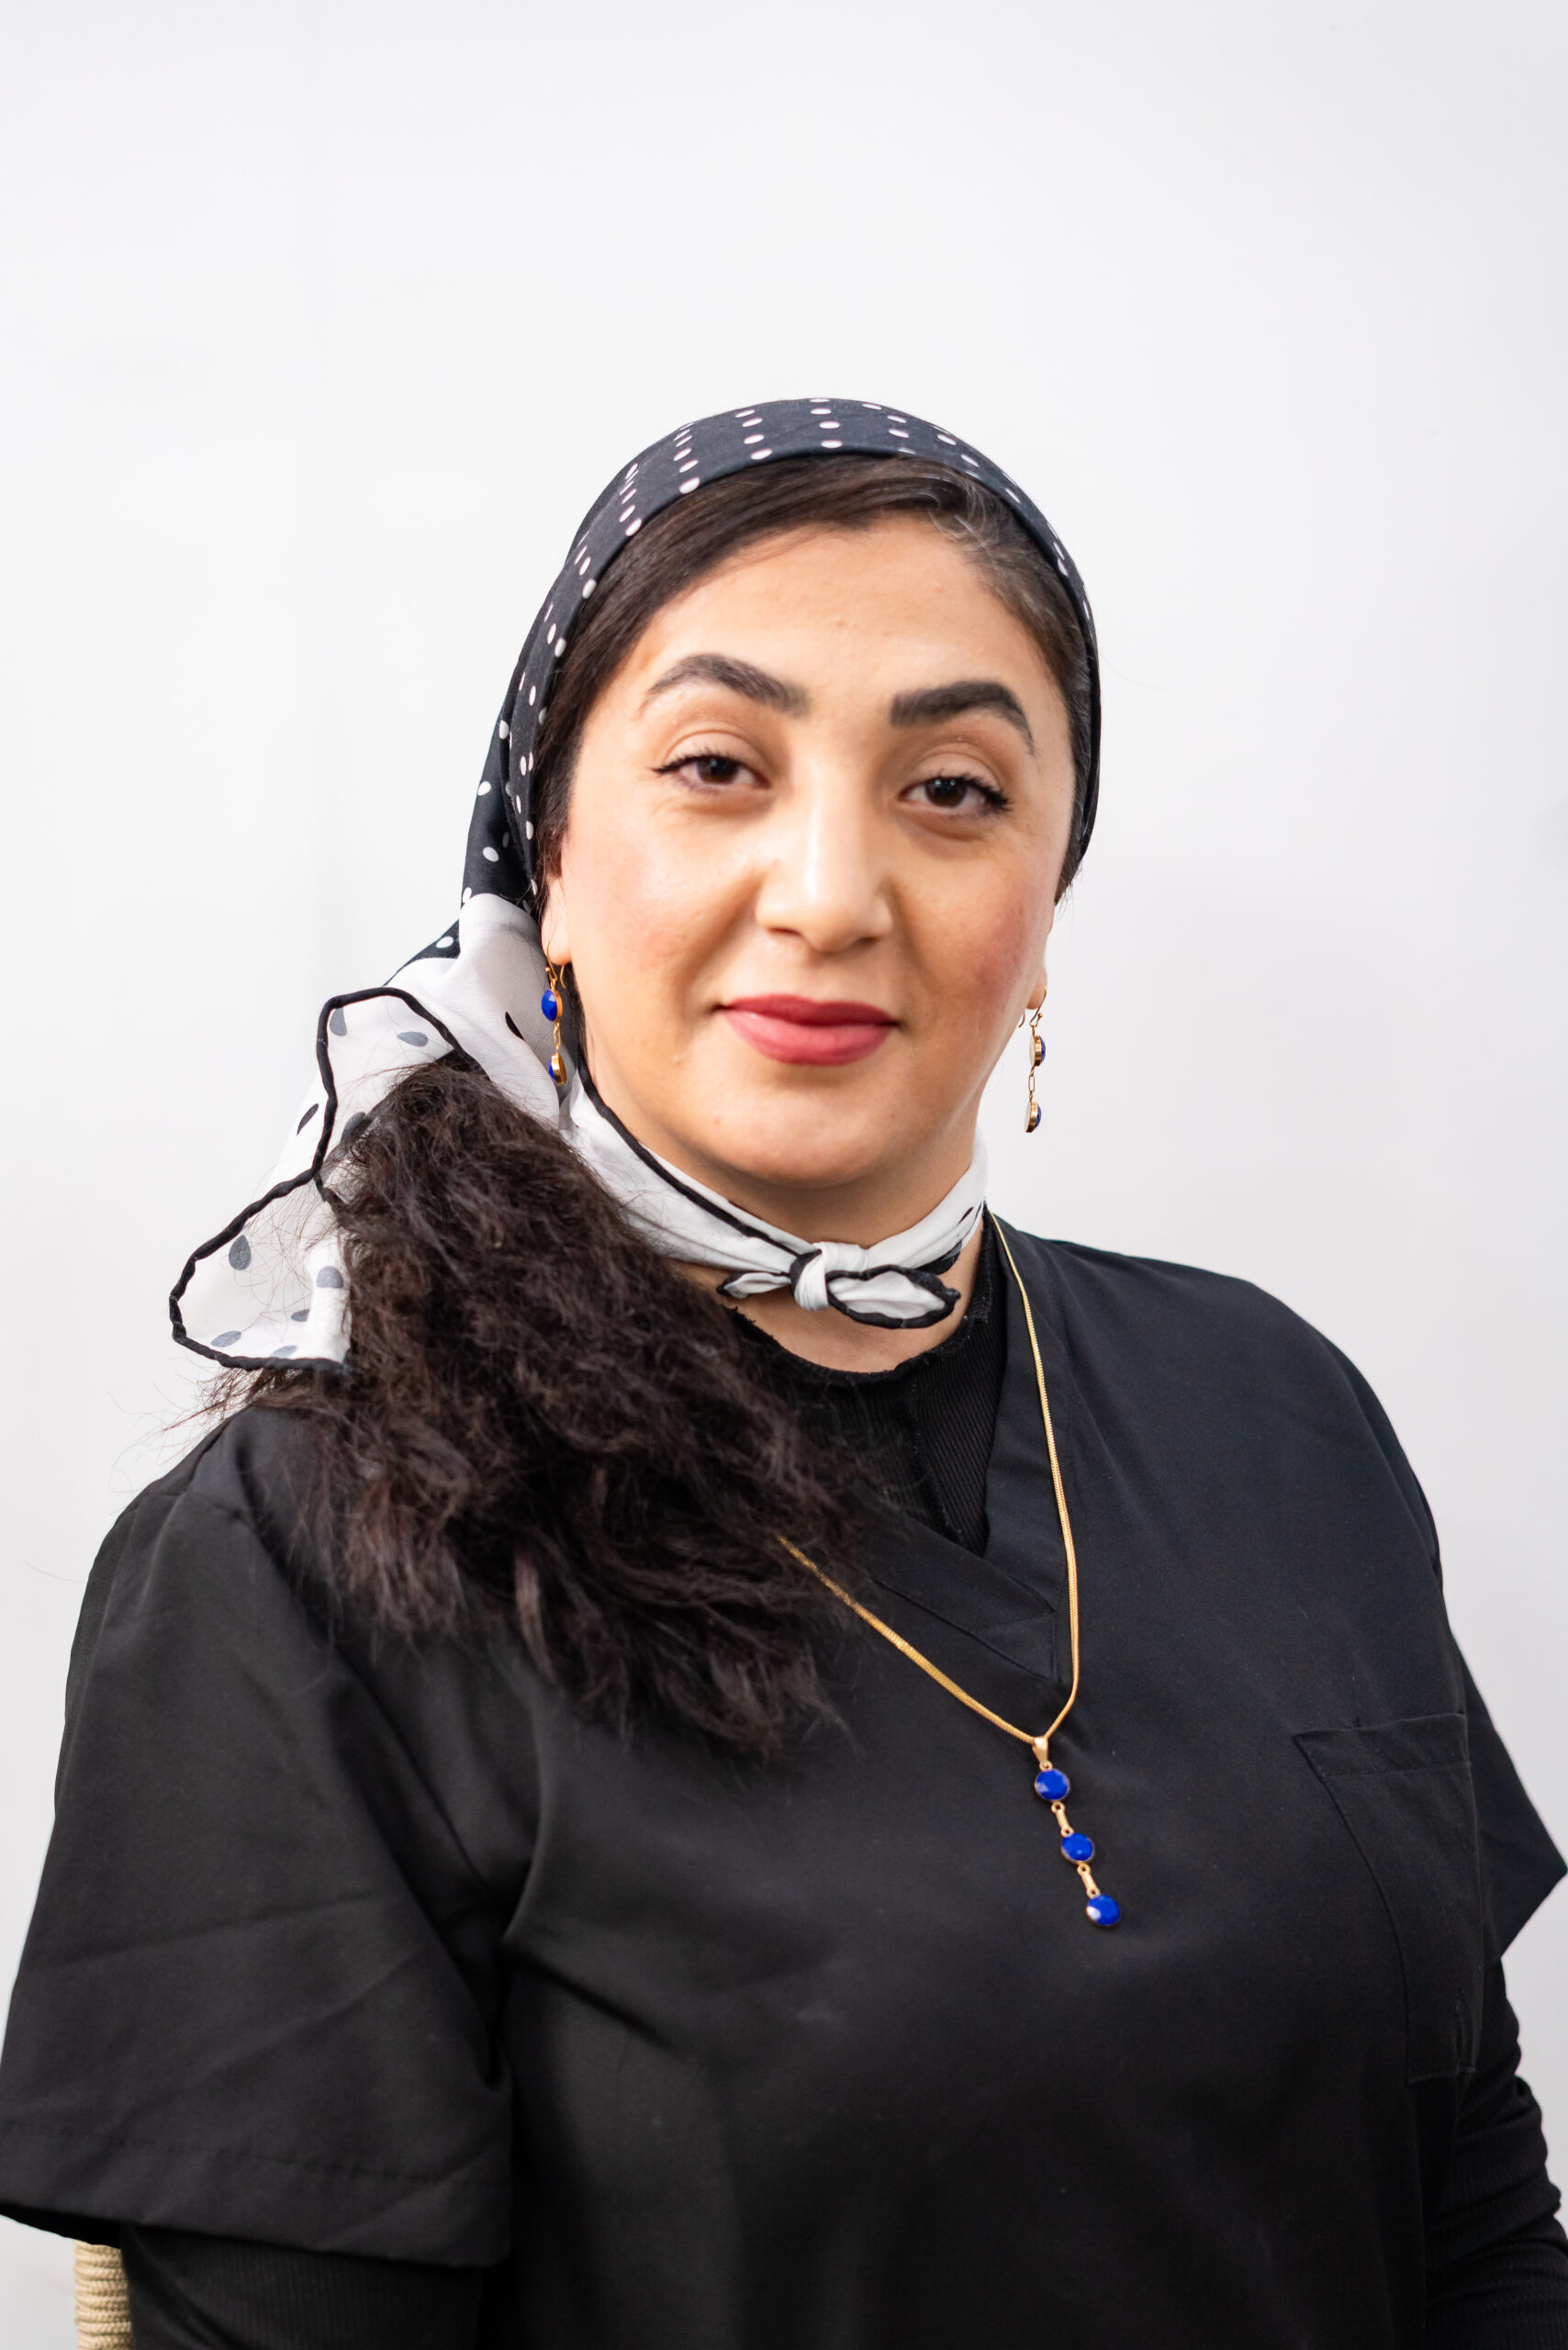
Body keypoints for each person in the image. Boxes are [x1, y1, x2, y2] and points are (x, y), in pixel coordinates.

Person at [0, 398, 1562, 2350]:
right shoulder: (304, 1553)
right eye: (718, 767)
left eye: (952, 790)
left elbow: (1470, 2202)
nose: (829, 891)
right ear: (546, 867)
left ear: (1048, 907)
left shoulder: (1275, 1411)